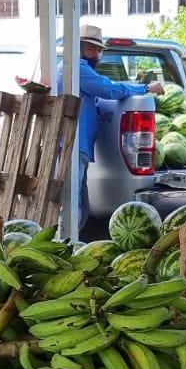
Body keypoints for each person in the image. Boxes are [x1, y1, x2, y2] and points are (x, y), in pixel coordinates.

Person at [57, 24, 162, 228]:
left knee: (80, 203)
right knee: (71, 205)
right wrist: (146, 87)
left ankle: (72, 245)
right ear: (77, 48)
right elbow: (108, 89)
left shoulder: (73, 69)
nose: (96, 54)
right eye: (90, 49)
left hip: (79, 146)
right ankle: (63, 247)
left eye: (98, 50)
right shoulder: (76, 69)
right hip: (73, 144)